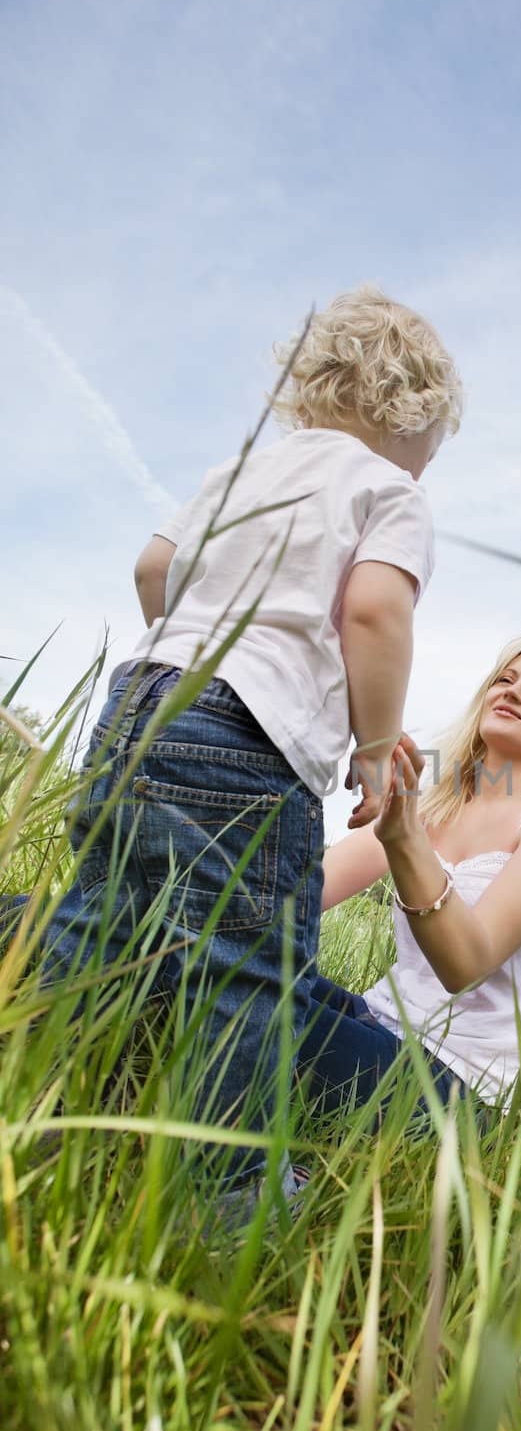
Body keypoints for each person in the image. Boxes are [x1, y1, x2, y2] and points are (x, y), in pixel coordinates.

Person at [38, 286, 463, 1210]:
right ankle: (232, 1195)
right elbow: (374, 608)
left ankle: (36, 1104)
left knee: (99, 926)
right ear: (413, 416)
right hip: (247, 739)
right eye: (433, 454)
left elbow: (154, 569)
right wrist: (373, 745)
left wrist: (189, 648)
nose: (426, 471)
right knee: (246, 972)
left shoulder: (240, 474)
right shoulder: (386, 491)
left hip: (139, 705)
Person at [296, 636, 521, 1120]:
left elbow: (465, 964)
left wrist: (405, 839)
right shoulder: (434, 803)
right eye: (505, 679)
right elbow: (301, 896)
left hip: (450, 1084)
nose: (513, 691)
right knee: (230, 971)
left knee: (247, 1005)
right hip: (373, 1021)